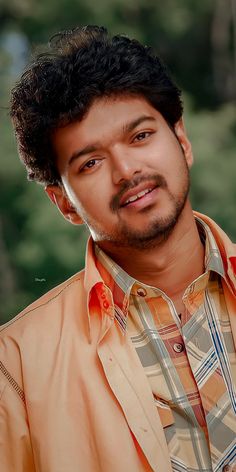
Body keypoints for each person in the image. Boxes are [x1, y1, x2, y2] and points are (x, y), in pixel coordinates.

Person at [1, 25, 235, 472]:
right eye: (91, 163)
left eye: (141, 136)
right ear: (64, 203)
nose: (127, 170)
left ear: (182, 141)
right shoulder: (17, 366)